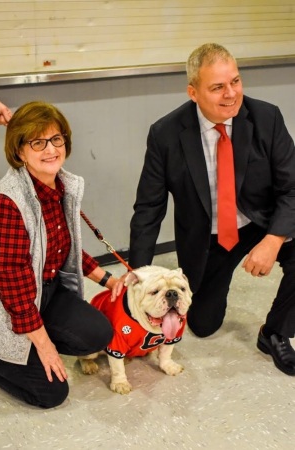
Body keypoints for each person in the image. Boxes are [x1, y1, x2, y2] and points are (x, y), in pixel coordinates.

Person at [129, 43, 295, 376]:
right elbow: (149, 208)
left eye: (235, 81)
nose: (231, 94)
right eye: (217, 87)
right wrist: (137, 275)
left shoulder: (267, 117)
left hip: (260, 221)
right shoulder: (165, 134)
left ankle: (275, 332)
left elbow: (292, 188)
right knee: (204, 324)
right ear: (193, 92)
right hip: (210, 236)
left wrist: (274, 239)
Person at [0, 101, 123, 408]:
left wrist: (108, 280)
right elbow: (14, 287)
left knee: (98, 333)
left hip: (48, 290)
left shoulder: (61, 185)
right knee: (53, 393)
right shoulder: (8, 202)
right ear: (19, 152)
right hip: (11, 304)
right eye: (37, 142)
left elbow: (64, 246)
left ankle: (31, 343)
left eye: (56, 139)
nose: (50, 149)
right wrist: (43, 343)